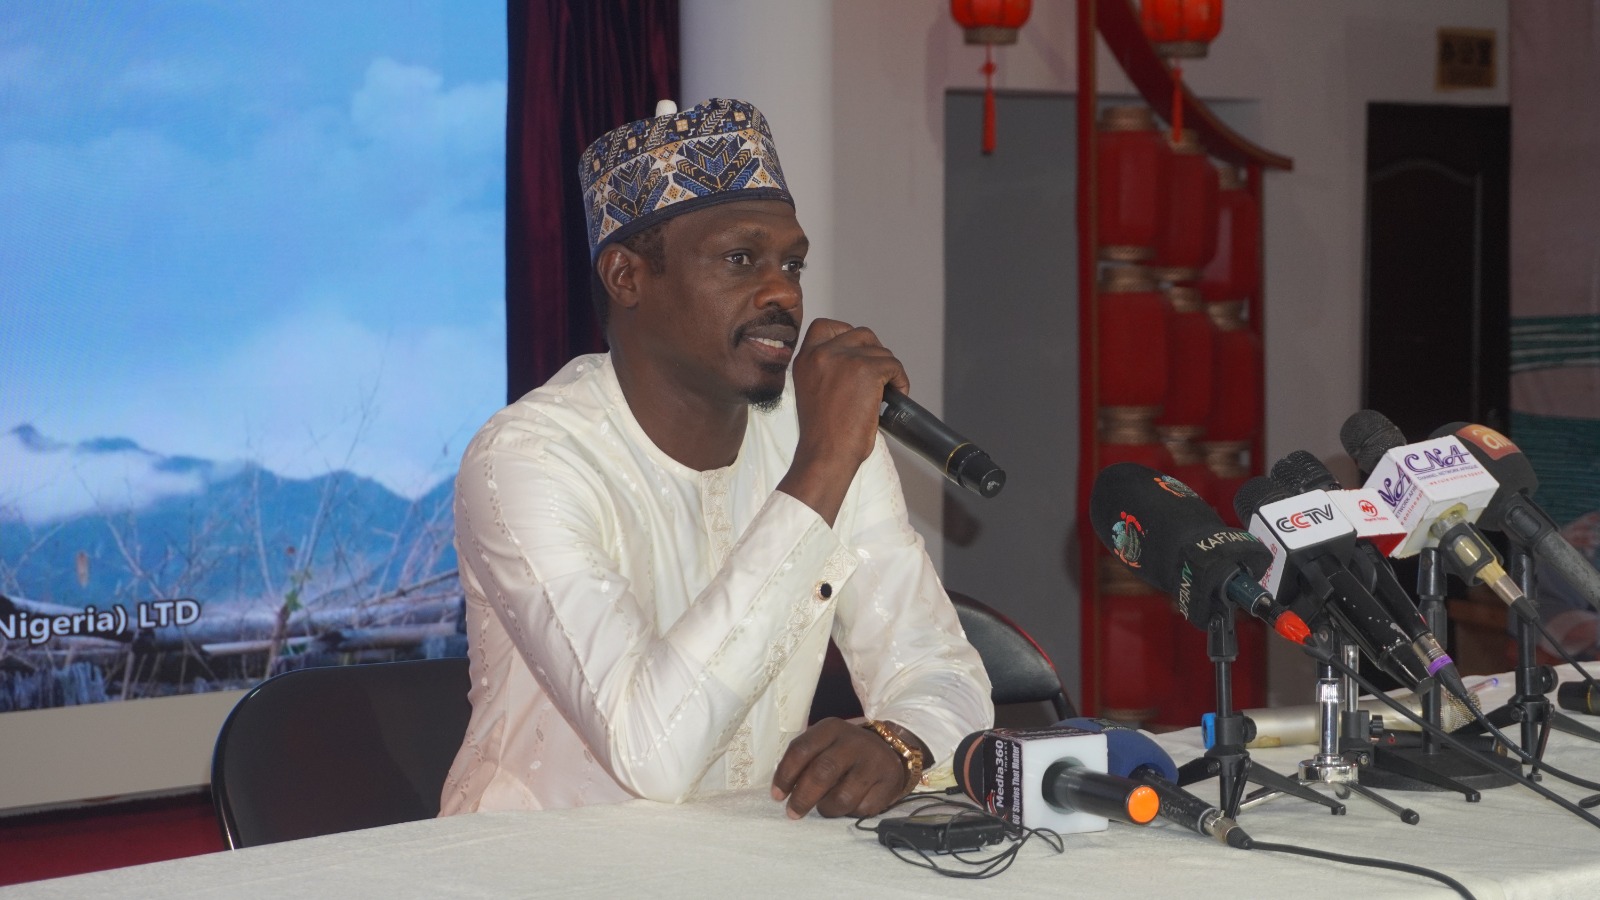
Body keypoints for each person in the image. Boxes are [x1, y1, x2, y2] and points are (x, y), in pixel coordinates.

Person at [440, 98, 993, 820]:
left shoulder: (816, 434)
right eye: (740, 260)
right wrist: (820, 469)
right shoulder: (525, 462)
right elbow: (652, 755)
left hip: (746, 857)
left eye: (792, 264)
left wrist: (901, 741)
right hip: (528, 864)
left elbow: (939, 667)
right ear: (626, 277)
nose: (784, 292)